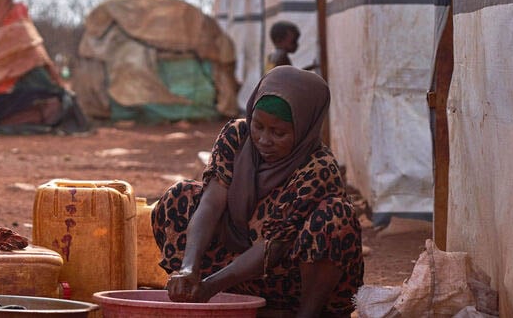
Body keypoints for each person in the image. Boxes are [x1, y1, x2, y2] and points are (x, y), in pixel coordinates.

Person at [151, 66, 363, 318]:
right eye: (258, 125)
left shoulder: (319, 168)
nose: (263, 139)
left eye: (278, 132)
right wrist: (189, 268)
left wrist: (211, 286)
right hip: (231, 274)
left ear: (306, 127)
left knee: (334, 217)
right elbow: (211, 202)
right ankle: (202, 296)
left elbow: (272, 248)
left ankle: (304, 314)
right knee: (180, 196)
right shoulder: (237, 135)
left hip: (287, 282)